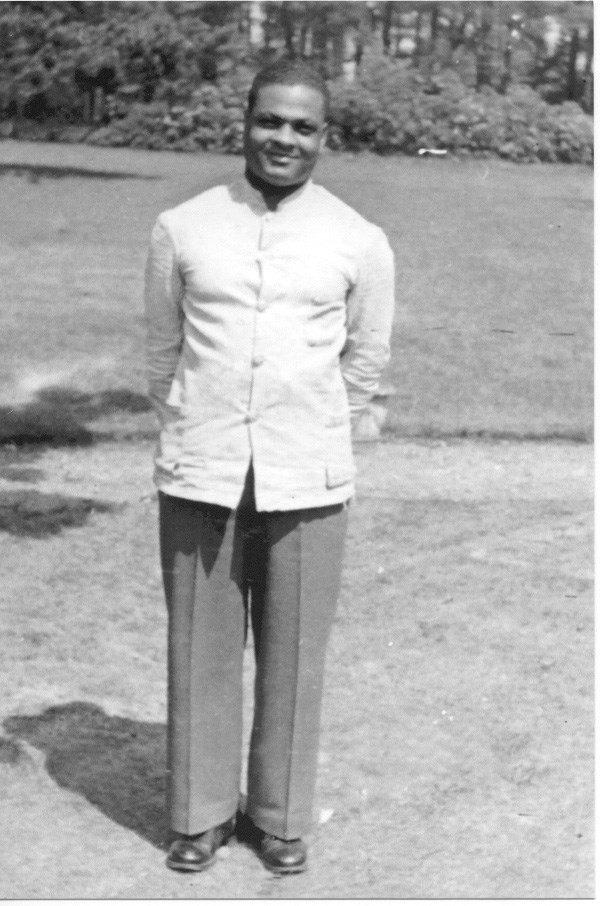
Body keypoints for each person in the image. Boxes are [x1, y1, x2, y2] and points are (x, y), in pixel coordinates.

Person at [144, 58, 395, 876]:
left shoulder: (359, 238)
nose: (283, 138)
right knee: (200, 645)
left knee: (293, 654)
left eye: (302, 126)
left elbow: (365, 365)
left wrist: (312, 430)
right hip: (201, 468)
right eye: (270, 121)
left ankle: (281, 817)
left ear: (324, 137)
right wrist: (202, 424)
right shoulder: (183, 226)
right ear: (244, 122)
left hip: (307, 474)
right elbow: (161, 354)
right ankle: (198, 813)